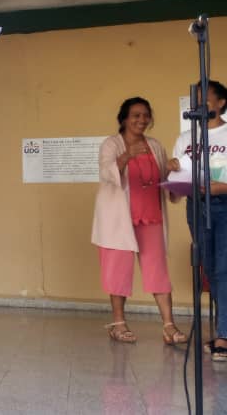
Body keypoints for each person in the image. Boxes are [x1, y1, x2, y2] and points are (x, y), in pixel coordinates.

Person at [93, 97, 187, 347]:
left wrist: (173, 169)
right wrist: (126, 156)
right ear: (124, 119)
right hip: (117, 220)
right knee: (118, 271)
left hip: (151, 216)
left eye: (146, 115)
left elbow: (164, 180)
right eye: (136, 115)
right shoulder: (111, 144)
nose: (142, 120)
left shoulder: (155, 145)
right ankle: (118, 324)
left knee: (158, 271)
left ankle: (169, 326)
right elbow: (106, 173)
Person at [170, 82, 227, 359]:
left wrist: (222, 188)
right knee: (213, 270)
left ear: (221, 103)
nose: (199, 107)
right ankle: (222, 332)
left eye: (205, 101)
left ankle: (224, 336)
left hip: (225, 205)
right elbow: (178, 177)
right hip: (196, 207)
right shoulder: (185, 138)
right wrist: (172, 175)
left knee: (225, 268)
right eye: (196, 102)